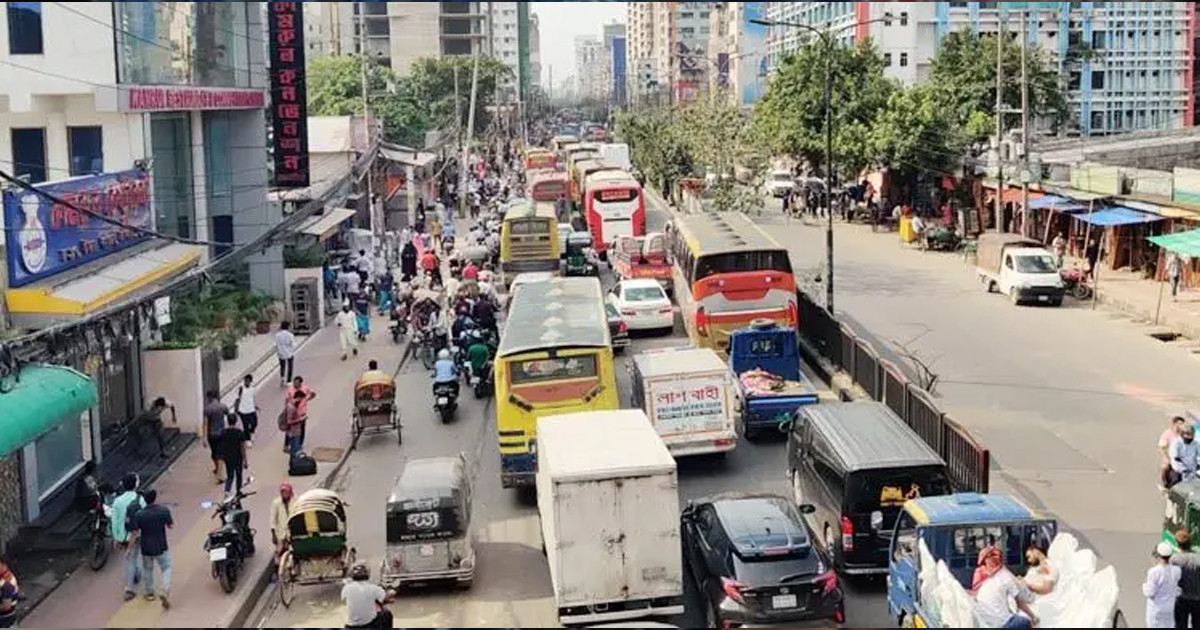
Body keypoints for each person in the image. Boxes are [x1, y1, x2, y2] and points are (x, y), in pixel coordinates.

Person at [972, 546, 1039, 628]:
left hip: (983, 621)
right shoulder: (1005, 575)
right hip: (1002, 623)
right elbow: (1020, 602)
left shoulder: (979, 574)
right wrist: (1033, 617)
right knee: (1026, 622)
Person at [129, 489, 173, 609]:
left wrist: (129, 549)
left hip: (146, 546)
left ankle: (150, 593)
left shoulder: (139, 514)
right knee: (166, 567)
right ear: (155, 497)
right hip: (161, 544)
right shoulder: (163, 510)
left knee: (148, 569)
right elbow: (171, 526)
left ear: (144, 499)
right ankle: (165, 589)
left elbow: (135, 532)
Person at [111, 473, 145, 602]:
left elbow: (114, 521)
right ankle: (129, 589)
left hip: (122, 535)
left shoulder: (117, 501)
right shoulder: (140, 499)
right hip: (136, 535)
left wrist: (116, 537)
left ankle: (134, 575)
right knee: (133, 558)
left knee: (129, 558)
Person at [341, 563, 394, 628]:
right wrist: (391, 592)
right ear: (367, 574)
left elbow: (343, 599)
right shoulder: (374, 588)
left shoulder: (347, 588)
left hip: (350, 626)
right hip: (368, 624)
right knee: (387, 614)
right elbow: (386, 599)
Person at [1144, 541, 1183, 628]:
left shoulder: (1153, 571)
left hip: (1156, 609)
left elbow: (1150, 592)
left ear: (1157, 555)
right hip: (1169, 608)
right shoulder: (1177, 570)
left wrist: (1144, 586)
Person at [1173, 530, 1200, 628]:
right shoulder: (1197, 559)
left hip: (1181, 598)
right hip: (1197, 597)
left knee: (1180, 625)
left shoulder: (1174, 559)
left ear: (1177, 543)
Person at [219, 414, 249, 497]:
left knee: (230, 475)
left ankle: (227, 491)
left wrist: (221, 457)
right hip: (237, 457)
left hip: (227, 457)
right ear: (236, 421)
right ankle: (238, 491)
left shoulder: (223, 432)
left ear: (228, 421)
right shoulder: (239, 433)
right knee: (239, 474)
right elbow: (242, 448)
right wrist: (245, 460)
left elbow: (221, 446)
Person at [283, 376, 315, 452]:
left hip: (302, 412)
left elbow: (313, 393)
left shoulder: (305, 388)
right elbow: (287, 400)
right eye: (294, 382)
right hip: (292, 412)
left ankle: (299, 444)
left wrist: (307, 399)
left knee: (301, 429)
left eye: (297, 383)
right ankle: (286, 445)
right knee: (289, 429)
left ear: (300, 383)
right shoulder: (290, 389)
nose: (295, 384)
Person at [202, 391, 228, 484]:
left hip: (211, 435)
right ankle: (219, 474)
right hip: (221, 434)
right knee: (220, 454)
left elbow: (205, 424)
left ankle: (217, 469)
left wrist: (204, 438)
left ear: (209, 397)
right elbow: (228, 416)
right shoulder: (223, 406)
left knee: (214, 453)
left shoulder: (207, 409)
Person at [1161, 416, 1188, 490]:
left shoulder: (1183, 434)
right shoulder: (1167, 434)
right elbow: (1163, 447)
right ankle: (1165, 483)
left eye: (1182, 424)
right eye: (1179, 424)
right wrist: (1166, 457)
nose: (1181, 426)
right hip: (1170, 456)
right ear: (1174, 424)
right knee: (1165, 467)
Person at [270, 483, 294, 561]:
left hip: (292, 532)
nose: (284, 495)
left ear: (290, 493)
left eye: (286, 492)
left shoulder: (295, 502)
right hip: (280, 533)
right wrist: (273, 535)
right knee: (278, 553)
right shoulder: (276, 503)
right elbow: (272, 519)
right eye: (282, 492)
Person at [235, 374, 259, 445]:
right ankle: (248, 440)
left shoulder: (253, 389)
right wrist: (236, 409)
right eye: (245, 381)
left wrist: (255, 406)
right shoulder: (241, 389)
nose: (246, 382)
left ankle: (251, 431)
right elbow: (237, 399)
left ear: (250, 381)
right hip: (242, 410)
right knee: (245, 424)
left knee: (255, 423)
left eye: (248, 381)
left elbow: (252, 398)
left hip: (251, 409)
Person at [284, 388, 307, 459]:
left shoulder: (292, 405)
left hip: (295, 431)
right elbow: (289, 421)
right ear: (298, 397)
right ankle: (294, 466)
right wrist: (301, 419)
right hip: (294, 433)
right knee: (295, 451)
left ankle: (293, 465)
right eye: (301, 399)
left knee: (295, 451)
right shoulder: (291, 407)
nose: (301, 401)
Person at [0, 556, 22, 628]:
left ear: (4, 565)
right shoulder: (7, 575)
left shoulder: (6, 584)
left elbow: (6, 607)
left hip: (4, 620)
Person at [275, 321, 297, 387]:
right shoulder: (290, 335)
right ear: (288, 327)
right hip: (289, 353)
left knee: (282, 366)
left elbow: (276, 344)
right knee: (290, 366)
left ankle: (282, 377)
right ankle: (289, 381)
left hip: (280, 353)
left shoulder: (277, 335)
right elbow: (293, 344)